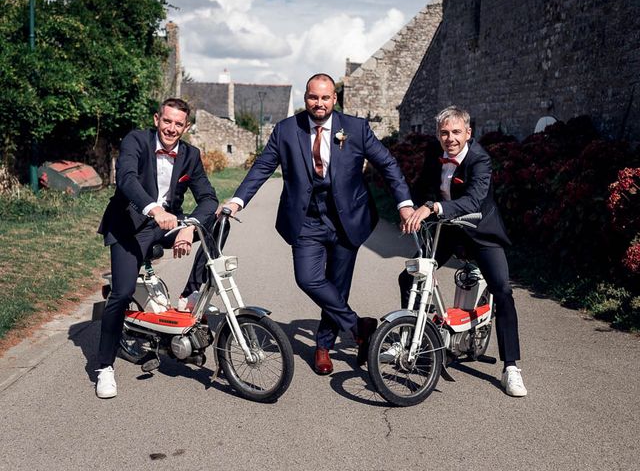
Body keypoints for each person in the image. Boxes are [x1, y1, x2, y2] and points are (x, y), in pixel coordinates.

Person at [223, 73, 414, 375]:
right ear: (306, 99)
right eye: (314, 97)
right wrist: (238, 200)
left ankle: (323, 346)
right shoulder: (287, 130)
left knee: (337, 286)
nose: (319, 103)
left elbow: (388, 164)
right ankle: (358, 326)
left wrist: (404, 204)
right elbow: (262, 166)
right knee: (308, 278)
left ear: (334, 98)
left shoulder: (355, 128)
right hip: (306, 220)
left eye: (325, 97)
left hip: (347, 220)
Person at [95, 98, 219, 399]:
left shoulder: (191, 154)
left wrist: (188, 227)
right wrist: (153, 209)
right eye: (167, 121)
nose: (172, 128)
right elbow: (125, 179)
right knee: (122, 293)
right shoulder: (136, 141)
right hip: (129, 226)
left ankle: (190, 292)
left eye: (179, 124)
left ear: (185, 126)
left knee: (210, 226)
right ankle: (104, 368)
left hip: (165, 225)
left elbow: (209, 198)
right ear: (156, 119)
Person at [400, 105, 527, 397]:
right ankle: (421, 337)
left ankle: (511, 367)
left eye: (456, 132)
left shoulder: (480, 158)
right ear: (437, 134)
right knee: (410, 278)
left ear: (468, 133)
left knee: (502, 289)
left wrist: (433, 207)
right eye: (444, 132)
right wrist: (411, 208)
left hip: (479, 230)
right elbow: (423, 187)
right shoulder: (435, 151)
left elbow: (473, 200)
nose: (450, 138)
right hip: (447, 229)